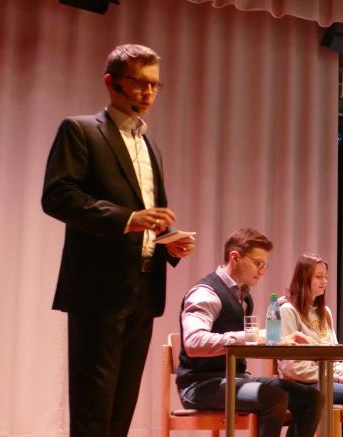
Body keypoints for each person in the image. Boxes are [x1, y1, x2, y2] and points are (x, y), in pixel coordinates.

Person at [41, 43, 195, 437]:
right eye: (140, 83)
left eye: (155, 85)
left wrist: (167, 240)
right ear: (111, 83)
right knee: (94, 406)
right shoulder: (80, 131)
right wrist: (127, 219)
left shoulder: (150, 146)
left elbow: (150, 213)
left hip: (143, 286)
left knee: (122, 407)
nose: (148, 93)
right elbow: (59, 197)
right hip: (98, 288)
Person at [177, 229, 317, 437]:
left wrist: (278, 340)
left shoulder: (243, 296)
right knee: (273, 397)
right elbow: (194, 343)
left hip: (236, 378)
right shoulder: (206, 293)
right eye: (258, 264)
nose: (262, 271)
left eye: (265, 265)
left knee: (311, 398)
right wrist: (253, 337)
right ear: (235, 257)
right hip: (200, 385)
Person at [278, 254, 343, 437]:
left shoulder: (324, 312)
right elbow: (293, 367)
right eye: (318, 276)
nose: (324, 281)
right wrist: (336, 379)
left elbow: (333, 353)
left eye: (325, 276)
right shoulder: (288, 310)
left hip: (329, 379)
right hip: (305, 383)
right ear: (304, 278)